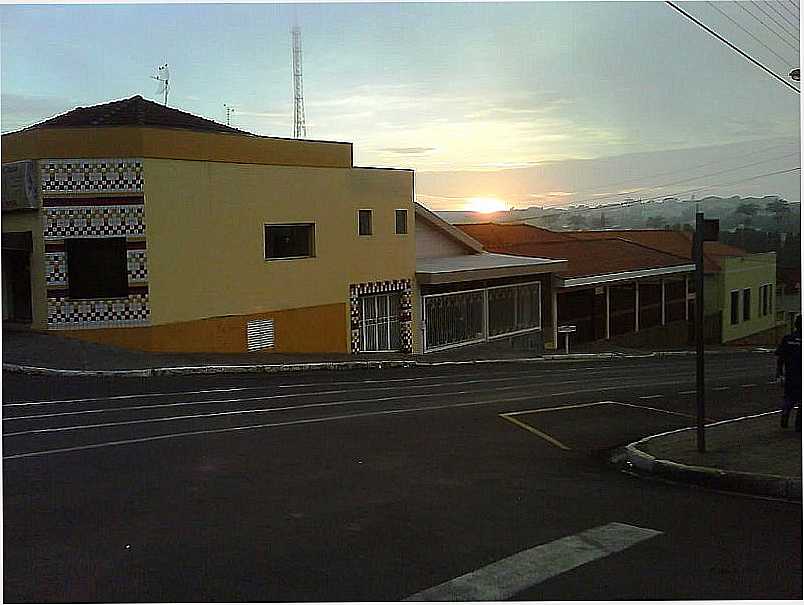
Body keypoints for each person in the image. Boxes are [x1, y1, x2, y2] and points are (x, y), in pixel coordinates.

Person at [775, 314, 802, 430]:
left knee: (789, 397)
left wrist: (779, 373)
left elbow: (780, 357)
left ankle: (785, 414)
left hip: (790, 374)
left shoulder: (787, 339)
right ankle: (799, 424)